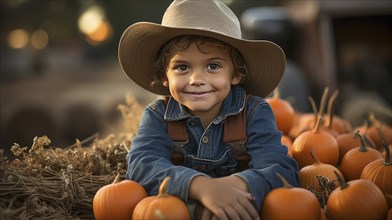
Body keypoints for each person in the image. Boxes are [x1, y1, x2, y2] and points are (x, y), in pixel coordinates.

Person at [118, 0, 299, 219]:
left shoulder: (254, 112)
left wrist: (230, 187)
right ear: (164, 76)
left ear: (236, 74)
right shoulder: (158, 115)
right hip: (182, 209)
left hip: (241, 204)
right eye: (182, 67)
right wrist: (201, 187)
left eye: (213, 66)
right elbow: (141, 165)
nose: (196, 80)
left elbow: (280, 169)